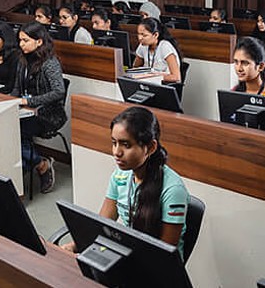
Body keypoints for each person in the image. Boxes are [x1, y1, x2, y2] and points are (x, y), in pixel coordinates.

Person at [62, 106, 189, 259]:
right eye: (114, 143)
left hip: (157, 271)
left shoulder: (173, 190)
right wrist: (74, 246)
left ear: (151, 147)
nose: (117, 152)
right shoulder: (120, 176)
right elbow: (103, 225)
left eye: (126, 145)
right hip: (128, 256)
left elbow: (164, 256)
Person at [10, 22, 66, 193]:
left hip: (49, 114)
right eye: (20, 40)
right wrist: (10, 102)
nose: (21, 44)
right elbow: (17, 89)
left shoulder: (50, 62)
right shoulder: (22, 61)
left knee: (13, 132)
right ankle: (35, 163)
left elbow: (59, 91)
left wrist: (29, 102)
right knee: (4, 127)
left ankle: (41, 165)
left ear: (39, 41)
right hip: (25, 111)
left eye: (25, 41)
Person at [133, 17, 182, 83]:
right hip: (147, 82)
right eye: (138, 34)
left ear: (156, 35)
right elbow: (135, 67)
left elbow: (176, 77)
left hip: (165, 84)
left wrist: (154, 76)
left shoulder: (165, 46)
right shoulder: (143, 45)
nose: (140, 38)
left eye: (144, 35)